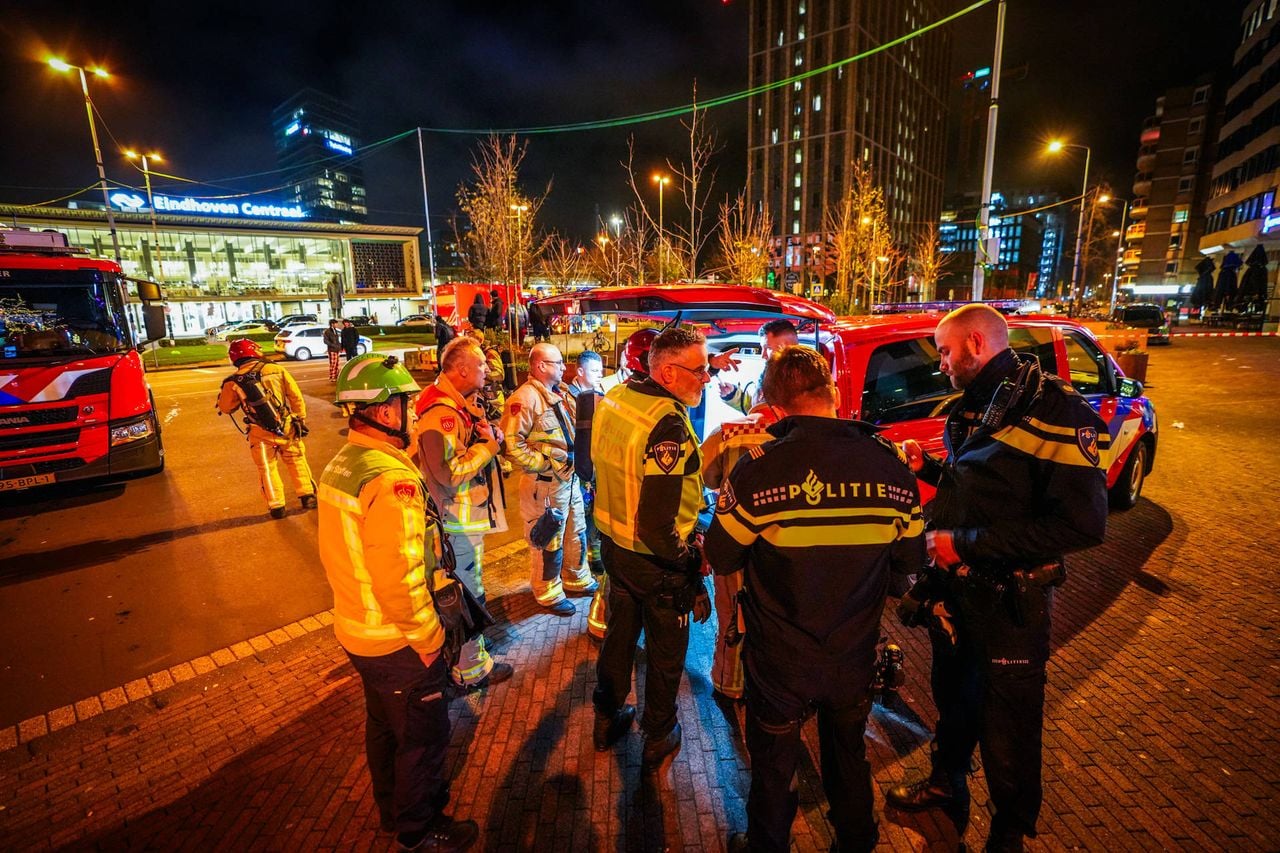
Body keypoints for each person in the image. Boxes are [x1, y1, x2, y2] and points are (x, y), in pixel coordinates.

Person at [887, 304, 1109, 853]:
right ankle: (945, 782)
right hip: (960, 594)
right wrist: (930, 471)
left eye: (943, 351)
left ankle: (1008, 834)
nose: (939, 364)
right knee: (955, 699)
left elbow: (1081, 525)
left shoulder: (1058, 411)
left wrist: (961, 544)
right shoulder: (980, 405)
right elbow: (988, 491)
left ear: (976, 345)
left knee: (1010, 724)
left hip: (1011, 605)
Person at [705, 346, 924, 852]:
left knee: (775, 758)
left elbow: (722, 556)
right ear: (836, 396)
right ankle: (855, 838)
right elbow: (908, 566)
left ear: (775, 408)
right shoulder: (890, 467)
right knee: (847, 749)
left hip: (780, 656)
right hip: (853, 648)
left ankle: (768, 843)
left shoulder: (759, 469)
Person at [317, 354, 477, 853]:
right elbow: (400, 575)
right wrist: (430, 640)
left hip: (358, 629)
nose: (411, 408)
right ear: (386, 412)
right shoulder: (392, 479)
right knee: (423, 738)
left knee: (385, 728)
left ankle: (391, 810)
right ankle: (420, 828)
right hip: (396, 639)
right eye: (405, 400)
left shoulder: (343, 462)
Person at [591, 326, 713, 771]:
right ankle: (658, 734)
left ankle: (606, 718)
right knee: (665, 657)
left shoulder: (617, 397)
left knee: (618, 641)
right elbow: (659, 525)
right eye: (700, 370)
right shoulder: (668, 424)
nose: (707, 378)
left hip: (615, 549)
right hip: (658, 562)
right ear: (666, 373)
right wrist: (690, 563)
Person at [413, 338, 514, 692]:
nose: (488, 369)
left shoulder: (455, 404)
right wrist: (489, 447)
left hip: (459, 520)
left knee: (466, 590)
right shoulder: (441, 414)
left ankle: (462, 659)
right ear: (461, 370)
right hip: (457, 522)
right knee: (468, 595)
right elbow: (448, 472)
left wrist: (490, 434)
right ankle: (471, 669)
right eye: (482, 366)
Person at [502, 342, 598, 615]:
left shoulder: (561, 393)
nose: (564, 368)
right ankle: (548, 593)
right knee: (549, 540)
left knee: (576, 531)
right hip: (544, 485)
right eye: (558, 363)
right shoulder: (525, 399)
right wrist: (543, 464)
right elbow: (511, 445)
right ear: (542, 366)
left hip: (568, 480)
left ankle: (576, 578)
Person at [698, 399, 783, 702]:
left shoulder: (728, 433)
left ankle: (729, 684)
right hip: (779, 546)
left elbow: (705, 475)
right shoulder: (795, 435)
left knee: (732, 613)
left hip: (734, 537)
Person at [215, 338, 316, 520]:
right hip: (286, 427)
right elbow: (295, 395)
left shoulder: (233, 381)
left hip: (259, 433)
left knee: (267, 468)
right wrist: (299, 418)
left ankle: (277, 506)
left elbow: (226, 408)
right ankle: (307, 496)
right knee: (296, 460)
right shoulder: (276, 369)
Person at [565, 351, 607, 637]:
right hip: (579, 473)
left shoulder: (599, 395)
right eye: (594, 371)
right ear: (579, 372)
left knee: (592, 520)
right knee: (584, 523)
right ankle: (588, 566)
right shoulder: (570, 398)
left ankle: (595, 560)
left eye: (602, 371)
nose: (599, 376)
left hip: (593, 471)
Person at [717, 318, 799, 414]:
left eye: (768, 348)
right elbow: (758, 409)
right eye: (762, 348)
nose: (763, 355)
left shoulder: (803, 384)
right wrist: (733, 395)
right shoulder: (770, 374)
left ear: (789, 349)